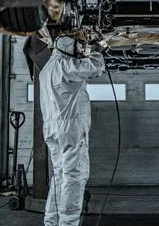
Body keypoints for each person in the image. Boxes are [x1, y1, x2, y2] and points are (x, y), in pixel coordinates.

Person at [39, 35, 106, 226]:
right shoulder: (65, 66)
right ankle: (68, 223)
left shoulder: (47, 69)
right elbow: (95, 68)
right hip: (69, 130)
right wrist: (97, 52)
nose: (79, 52)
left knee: (60, 176)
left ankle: (51, 221)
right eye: (77, 48)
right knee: (74, 176)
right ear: (69, 48)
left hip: (52, 129)